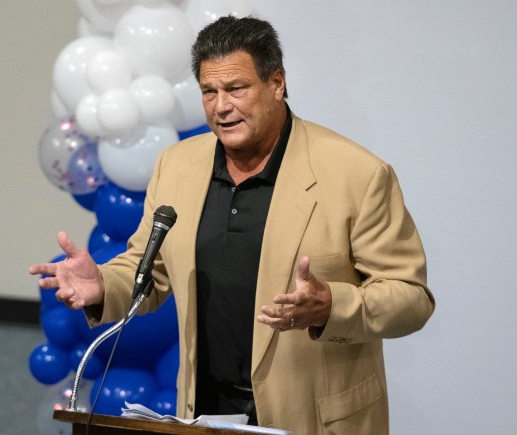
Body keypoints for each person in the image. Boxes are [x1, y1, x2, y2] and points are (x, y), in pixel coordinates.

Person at [30, 16, 435, 435]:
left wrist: (332, 305)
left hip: (313, 417)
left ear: (276, 83)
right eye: (209, 91)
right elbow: (150, 267)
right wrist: (104, 285)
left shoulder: (358, 175)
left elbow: (411, 297)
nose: (221, 106)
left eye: (236, 89)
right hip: (205, 411)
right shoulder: (177, 165)